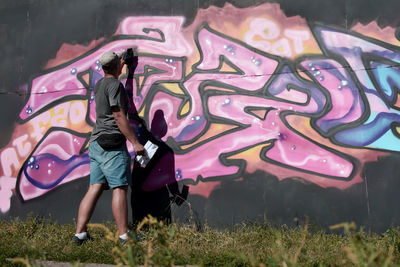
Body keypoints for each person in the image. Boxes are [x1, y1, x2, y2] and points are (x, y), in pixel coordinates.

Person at [73, 50, 145, 244]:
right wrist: (135, 142)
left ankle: (80, 234)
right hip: (112, 144)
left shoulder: (100, 84)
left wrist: (125, 67)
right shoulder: (115, 85)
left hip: (96, 142)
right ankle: (124, 236)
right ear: (115, 66)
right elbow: (119, 116)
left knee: (94, 187)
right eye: (119, 63)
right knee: (119, 188)